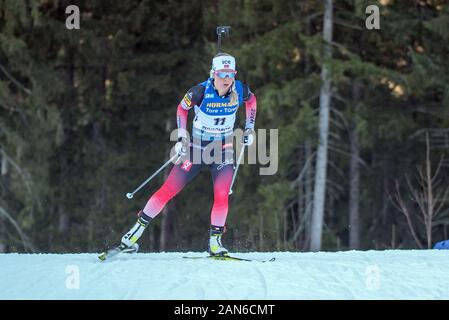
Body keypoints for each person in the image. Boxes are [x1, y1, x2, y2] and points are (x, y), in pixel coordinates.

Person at [118, 53, 257, 256]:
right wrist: (182, 135)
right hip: (197, 149)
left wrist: (249, 128)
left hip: (223, 150)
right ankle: (132, 235)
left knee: (221, 194)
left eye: (230, 74)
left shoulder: (240, 89)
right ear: (213, 74)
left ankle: (215, 243)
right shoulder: (199, 91)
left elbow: (252, 102)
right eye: (222, 74)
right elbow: (181, 109)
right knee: (169, 189)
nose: (227, 80)